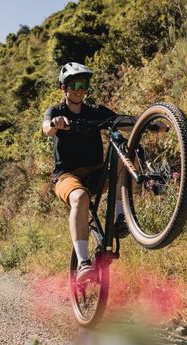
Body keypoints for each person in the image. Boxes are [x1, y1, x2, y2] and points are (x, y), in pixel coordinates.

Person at [42, 62, 132, 283]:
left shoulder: (95, 111)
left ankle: (120, 218)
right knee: (80, 198)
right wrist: (55, 124)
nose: (80, 89)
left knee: (125, 155)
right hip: (66, 176)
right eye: (74, 85)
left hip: (96, 174)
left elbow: (123, 122)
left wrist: (150, 123)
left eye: (84, 84)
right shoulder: (56, 111)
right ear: (64, 88)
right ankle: (83, 263)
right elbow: (47, 128)